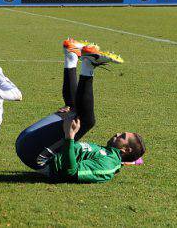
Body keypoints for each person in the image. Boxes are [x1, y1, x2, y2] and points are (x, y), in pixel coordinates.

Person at [15, 39, 145, 183]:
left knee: (87, 121)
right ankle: (71, 55)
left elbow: (70, 172)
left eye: (122, 136)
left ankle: (88, 64)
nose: (117, 133)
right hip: (29, 143)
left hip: (35, 155)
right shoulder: (108, 155)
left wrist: (69, 137)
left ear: (126, 150)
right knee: (74, 109)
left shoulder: (108, 165)